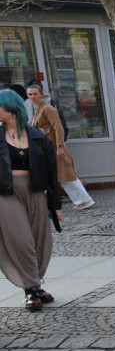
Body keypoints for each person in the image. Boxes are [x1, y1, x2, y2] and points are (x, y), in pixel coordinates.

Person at [0, 89, 62, 311]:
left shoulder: (37, 136)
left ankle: (36, 284)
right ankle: (30, 289)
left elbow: (52, 172)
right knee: (21, 240)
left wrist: (56, 205)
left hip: (35, 190)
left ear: (10, 108)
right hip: (6, 193)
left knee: (39, 240)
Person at [26, 84, 96, 210]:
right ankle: (81, 200)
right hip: (51, 147)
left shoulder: (47, 108)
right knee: (63, 175)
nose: (32, 96)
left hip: (56, 147)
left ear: (41, 94)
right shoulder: (40, 108)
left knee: (67, 174)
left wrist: (59, 146)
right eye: (30, 94)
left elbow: (58, 128)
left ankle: (85, 199)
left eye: (35, 94)